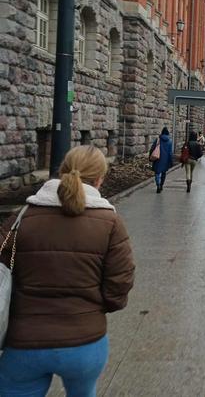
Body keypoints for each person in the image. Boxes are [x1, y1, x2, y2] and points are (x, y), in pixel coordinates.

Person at [0, 145, 135, 397]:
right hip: (85, 341)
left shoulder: (24, 216)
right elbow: (120, 281)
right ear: (99, 179)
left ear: (62, 172)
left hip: (25, 341)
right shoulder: (111, 222)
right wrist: (97, 307)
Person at [150, 127, 173, 193]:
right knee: (164, 173)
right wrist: (170, 161)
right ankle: (161, 185)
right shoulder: (170, 141)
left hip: (157, 158)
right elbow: (170, 153)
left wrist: (150, 157)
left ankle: (158, 185)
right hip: (165, 160)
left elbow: (152, 148)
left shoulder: (158, 139)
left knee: (157, 172)